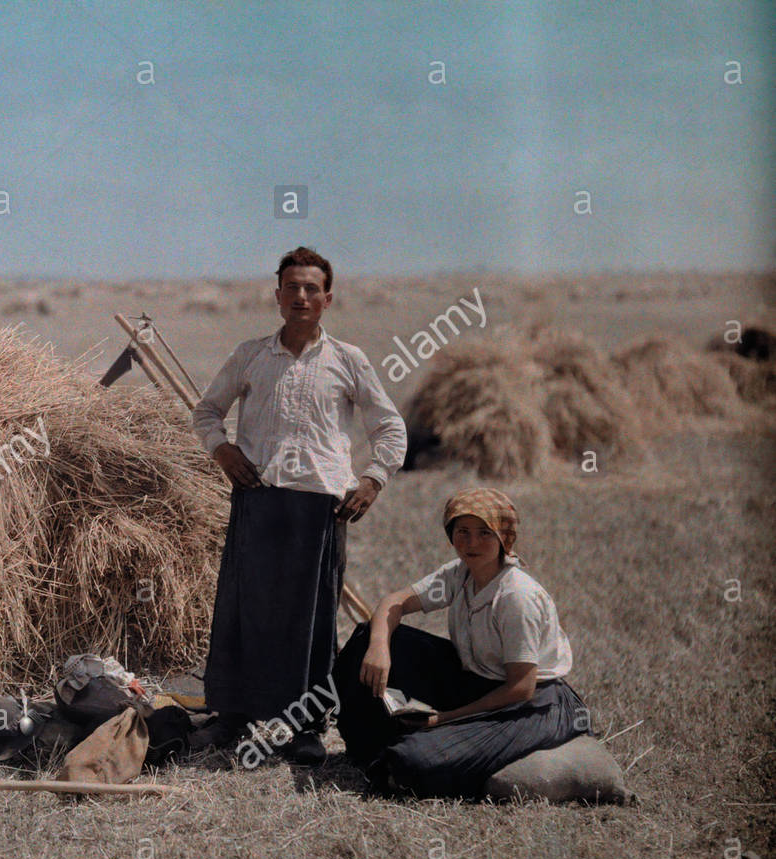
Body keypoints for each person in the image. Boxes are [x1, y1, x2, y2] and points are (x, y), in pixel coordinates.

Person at [190, 247, 407, 764]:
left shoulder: (349, 360)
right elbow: (206, 412)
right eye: (292, 287)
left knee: (311, 620)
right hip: (258, 501)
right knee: (245, 611)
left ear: (327, 298)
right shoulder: (251, 355)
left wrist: (373, 479)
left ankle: (306, 727)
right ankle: (232, 717)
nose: (301, 297)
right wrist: (222, 450)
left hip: (320, 509)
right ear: (278, 295)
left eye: (312, 289)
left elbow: (389, 427)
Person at [335, 487, 587, 797]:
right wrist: (379, 649)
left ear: (504, 539)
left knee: (414, 760)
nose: (471, 543)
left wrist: (445, 719)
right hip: (474, 680)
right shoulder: (460, 575)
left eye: (484, 533)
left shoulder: (515, 597)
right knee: (367, 635)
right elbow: (395, 602)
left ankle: (409, 753)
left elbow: (521, 687)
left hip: (530, 704)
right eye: (462, 531)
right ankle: (367, 745)